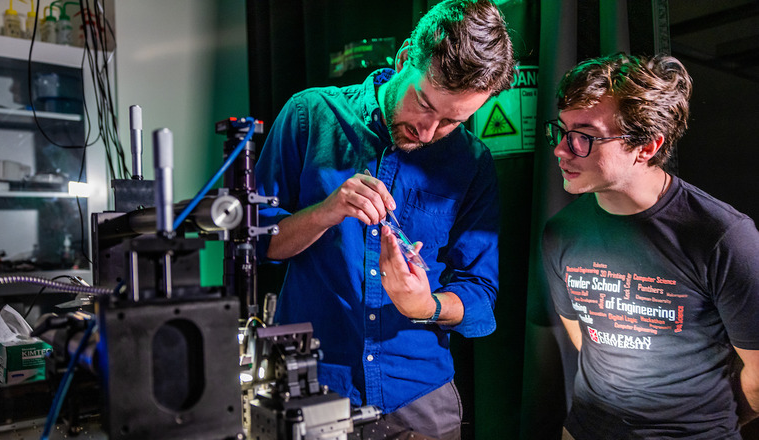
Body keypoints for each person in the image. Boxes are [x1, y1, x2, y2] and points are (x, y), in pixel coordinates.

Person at [254, 0, 514, 438]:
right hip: (313, 386)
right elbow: (259, 245)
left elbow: (481, 294)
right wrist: (326, 212)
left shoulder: (471, 161)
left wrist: (424, 305)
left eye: (452, 121)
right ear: (404, 58)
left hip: (419, 397)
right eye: (424, 105)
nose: (428, 132)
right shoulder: (310, 116)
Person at [542, 52, 759, 439]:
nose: (561, 149)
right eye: (561, 131)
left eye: (583, 137)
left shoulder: (723, 236)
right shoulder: (562, 232)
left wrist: (705, 422)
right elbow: (583, 337)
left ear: (646, 147)